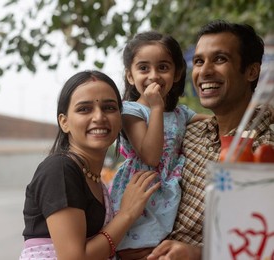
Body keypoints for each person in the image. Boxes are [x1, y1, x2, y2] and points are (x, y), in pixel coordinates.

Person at [119, 20, 274, 260]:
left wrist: (198, 254)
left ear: (252, 71)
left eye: (220, 59)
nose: (205, 71)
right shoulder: (187, 135)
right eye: (199, 61)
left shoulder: (266, 151)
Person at [19, 70, 161, 259]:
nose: (99, 117)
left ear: (120, 118)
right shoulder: (60, 169)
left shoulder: (94, 178)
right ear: (64, 122)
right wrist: (127, 214)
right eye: (84, 109)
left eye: (109, 108)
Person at [109, 31, 209, 251]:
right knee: (138, 250)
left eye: (163, 67)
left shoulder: (180, 113)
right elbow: (151, 156)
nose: (153, 75)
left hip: (168, 196)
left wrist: (258, 111)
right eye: (144, 68)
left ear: (176, 73)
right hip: (141, 193)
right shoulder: (130, 111)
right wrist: (156, 107)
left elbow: (216, 120)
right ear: (130, 76)